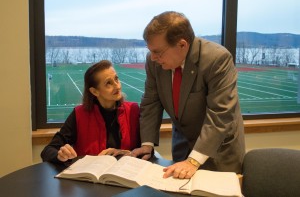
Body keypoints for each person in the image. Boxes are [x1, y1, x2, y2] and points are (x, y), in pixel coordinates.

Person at [131, 11, 245, 179]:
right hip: (182, 146)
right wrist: (147, 144)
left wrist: (193, 161)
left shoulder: (217, 58)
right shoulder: (153, 61)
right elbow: (151, 102)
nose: (153, 58)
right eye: (151, 51)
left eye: (158, 52)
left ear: (182, 45)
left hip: (219, 150)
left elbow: (220, 114)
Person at [41, 60, 140, 163]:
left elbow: (146, 150)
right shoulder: (79, 114)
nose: (117, 86)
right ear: (94, 91)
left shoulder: (133, 110)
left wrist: (124, 153)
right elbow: (47, 151)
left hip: (125, 175)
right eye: (108, 83)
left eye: (116, 79)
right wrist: (60, 155)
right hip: (90, 177)